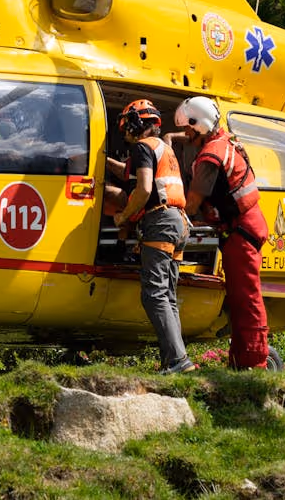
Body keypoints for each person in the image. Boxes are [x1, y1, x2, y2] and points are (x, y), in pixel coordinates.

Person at [174, 96, 270, 370]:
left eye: (189, 129)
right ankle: (241, 363)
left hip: (241, 233)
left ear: (199, 124)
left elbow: (191, 204)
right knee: (241, 299)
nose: (187, 134)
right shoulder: (226, 141)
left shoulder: (210, 157)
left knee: (247, 300)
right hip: (246, 227)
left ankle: (255, 363)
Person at [106, 99, 198, 375]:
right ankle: (174, 360)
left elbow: (144, 188)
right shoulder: (163, 149)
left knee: (154, 294)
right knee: (167, 296)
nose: (124, 132)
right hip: (178, 223)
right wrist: (100, 160)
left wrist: (123, 217)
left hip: (160, 223)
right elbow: (128, 171)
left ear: (135, 123)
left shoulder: (141, 147)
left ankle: (179, 361)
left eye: (125, 126)